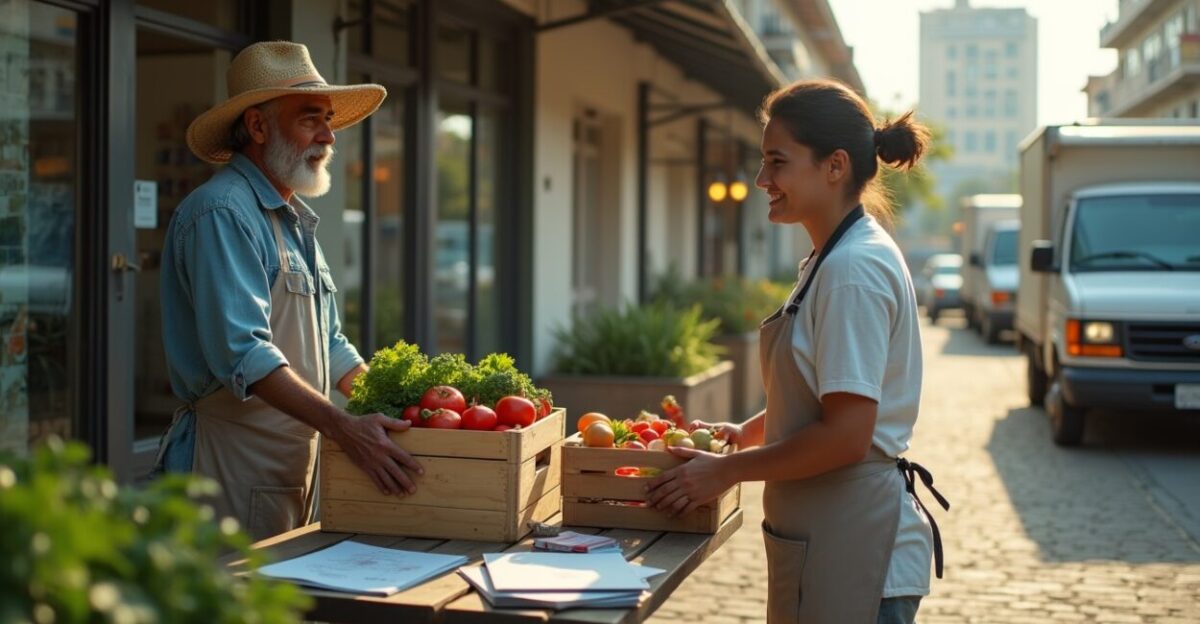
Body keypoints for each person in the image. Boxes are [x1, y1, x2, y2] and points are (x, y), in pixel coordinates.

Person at [645, 79, 949, 624]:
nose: (762, 180)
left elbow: (847, 434)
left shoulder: (853, 270)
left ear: (834, 166)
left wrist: (727, 471)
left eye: (777, 162)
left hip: (857, 553)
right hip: (829, 539)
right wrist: (746, 434)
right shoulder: (831, 259)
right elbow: (821, 394)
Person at [155, 41, 422, 541]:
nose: (328, 136)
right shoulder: (222, 212)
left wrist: (403, 409)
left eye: (328, 119)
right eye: (310, 119)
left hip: (289, 467)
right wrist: (344, 427)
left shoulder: (292, 219)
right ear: (258, 127)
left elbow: (331, 345)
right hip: (226, 467)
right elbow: (244, 353)